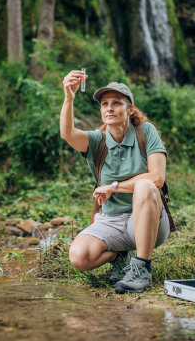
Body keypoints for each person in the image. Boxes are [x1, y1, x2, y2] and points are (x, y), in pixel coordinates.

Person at [60, 70, 173, 294]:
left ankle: (142, 269)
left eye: (116, 103)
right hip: (112, 221)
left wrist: (114, 187)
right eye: (104, 104)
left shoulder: (146, 132)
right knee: (79, 257)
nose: (109, 108)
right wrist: (68, 97)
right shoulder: (97, 141)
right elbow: (67, 134)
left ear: (130, 109)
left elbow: (157, 178)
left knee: (145, 185)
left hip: (149, 222)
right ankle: (120, 256)